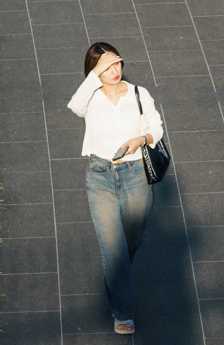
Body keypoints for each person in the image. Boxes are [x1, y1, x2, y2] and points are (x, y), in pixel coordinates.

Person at [67, 42, 163, 337]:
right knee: (114, 248)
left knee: (130, 243)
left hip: (136, 174)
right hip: (100, 176)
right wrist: (95, 74)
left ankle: (116, 272)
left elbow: (156, 127)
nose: (115, 71)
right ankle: (123, 311)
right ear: (95, 70)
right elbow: (73, 105)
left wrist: (142, 139)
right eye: (106, 66)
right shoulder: (91, 97)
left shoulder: (138, 93)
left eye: (117, 64)